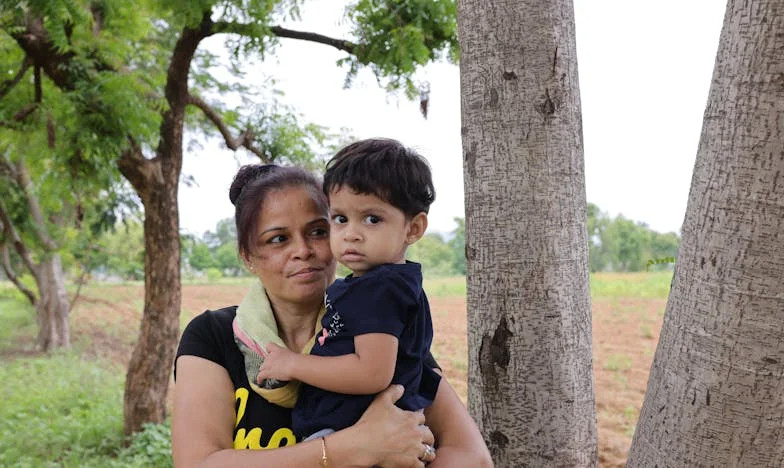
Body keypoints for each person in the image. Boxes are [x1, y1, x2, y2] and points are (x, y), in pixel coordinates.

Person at [172, 161, 492, 467]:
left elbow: (471, 457)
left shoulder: (379, 325)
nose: (303, 250)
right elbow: (198, 462)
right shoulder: (213, 336)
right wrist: (355, 447)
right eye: (279, 239)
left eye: (318, 231)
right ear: (248, 257)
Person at [257, 138, 441, 443]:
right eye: (340, 219)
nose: (351, 234)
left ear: (414, 228)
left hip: (354, 431)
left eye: (372, 219)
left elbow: (372, 373)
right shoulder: (383, 284)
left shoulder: (380, 289)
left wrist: (293, 363)